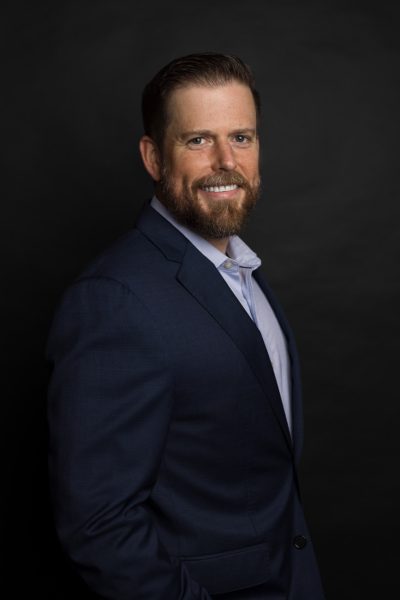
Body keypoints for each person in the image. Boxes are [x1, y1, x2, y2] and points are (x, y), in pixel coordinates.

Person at [46, 53, 325, 599]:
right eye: (198, 140)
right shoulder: (114, 300)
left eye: (241, 137)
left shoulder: (238, 270)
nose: (226, 160)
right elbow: (98, 526)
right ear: (153, 157)